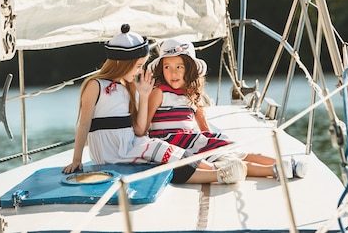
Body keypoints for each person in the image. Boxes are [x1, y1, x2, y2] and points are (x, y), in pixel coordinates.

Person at [62, 24, 247, 185]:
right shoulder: (95, 85)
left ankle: (219, 171)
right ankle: (219, 173)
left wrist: (143, 96)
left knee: (171, 152)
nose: (140, 70)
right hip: (110, 151)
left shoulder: (127, 87)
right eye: (137, 65)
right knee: (163, 151)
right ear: (120, 62)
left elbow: (140, 129)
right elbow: (84, 123)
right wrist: (76, 159)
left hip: (132, 144)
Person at [146, 38, 307, 180]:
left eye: (179, 67)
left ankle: (287, 164)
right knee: (232, 161)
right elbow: (145, 127)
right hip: (174, 144)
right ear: (161, 69)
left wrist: (211, 143)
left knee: (239, 153)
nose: (173, 72)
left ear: (190, 69)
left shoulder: (192, 94)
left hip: (192, 141)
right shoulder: (159, 92)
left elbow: (204, 128)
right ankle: (273, 170)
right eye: (167, 67)